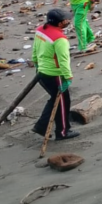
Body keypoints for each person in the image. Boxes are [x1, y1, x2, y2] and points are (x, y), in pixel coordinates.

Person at [31, 8, 79, 141]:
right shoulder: (60, 39)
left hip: (42, 72)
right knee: (63, 102)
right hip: (55, 75)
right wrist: (68, 77)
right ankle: (62, 132)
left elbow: (35, 48)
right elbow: (63, 60)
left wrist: (36, 62)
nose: (68, 21)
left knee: (55, 99)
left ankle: (42, 126)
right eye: (66, 20)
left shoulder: (41, 30)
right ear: (59, 23)